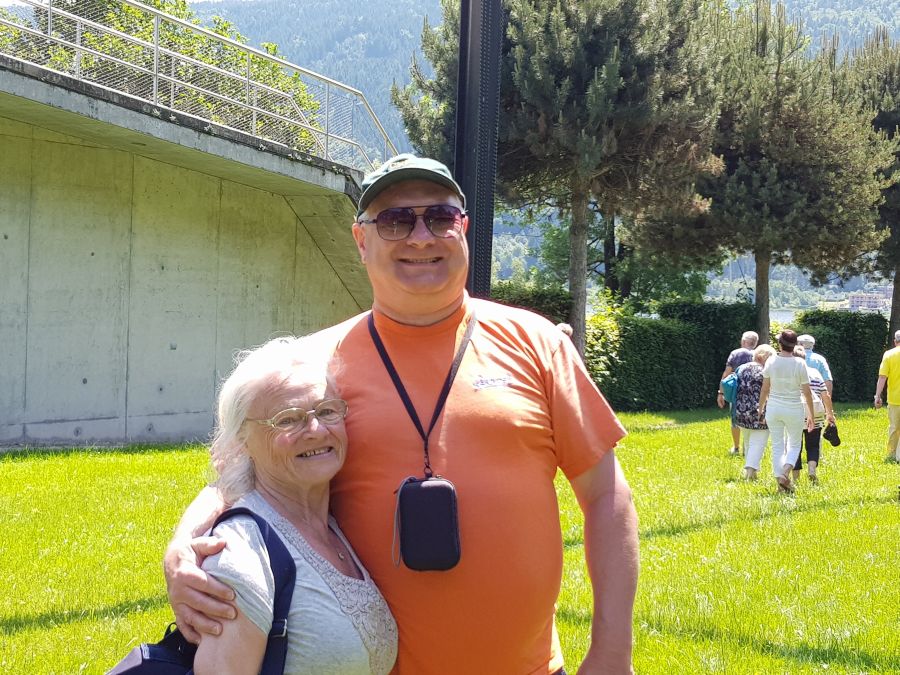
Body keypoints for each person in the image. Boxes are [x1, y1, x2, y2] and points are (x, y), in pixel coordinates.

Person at [163, 154, 638, 673]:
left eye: (440, 217)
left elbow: (606, 495)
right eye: (394, 221)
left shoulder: (538, 343)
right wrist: (182, 545)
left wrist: (612, 650)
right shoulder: (314, 365)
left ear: (463, 229)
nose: (420, 237)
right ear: (361, 240)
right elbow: (244, 472)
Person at [193, 336, 397, 673]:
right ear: (242, 440)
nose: (316, 430)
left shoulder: (334, 526)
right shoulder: (241, 555)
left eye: (327, 411)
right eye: (288, 419)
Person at [757, 329, 816, 493]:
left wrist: (760, 408)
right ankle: (785, 473)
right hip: (794, 408)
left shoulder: (771, 361)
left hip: (774, 408)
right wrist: (811, 414)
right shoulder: (800, 363)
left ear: (780, 344)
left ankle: (780, 484)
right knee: (794, 445)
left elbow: (765, 388)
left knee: (777, 446)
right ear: (794, 345)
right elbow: (807, 392)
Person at [792, 344, 836, 484]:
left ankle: (795, 478)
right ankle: (811, 470)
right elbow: (825, 394)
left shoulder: (790, 374)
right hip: (815, 414)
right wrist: (830, 413)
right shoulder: (814, 372)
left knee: (794, 446)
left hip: (795, 414)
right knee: (813, 445)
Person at [733, 344, 776, 480]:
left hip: (740, 411)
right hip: (759, 412)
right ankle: (750, 472)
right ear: (763, 357)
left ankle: (751, 473)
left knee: (748, 441)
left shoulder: (742, 368)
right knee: (757, 443)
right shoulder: (765, 371)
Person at [718, 331, 759, 455]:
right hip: (755, 392)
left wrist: (721, 392)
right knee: (752, 418)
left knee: (735, 419)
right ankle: (748, 448)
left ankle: (736, 448)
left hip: (737, 391)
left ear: (744, 341)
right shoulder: (759, 354)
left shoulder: (736, 353)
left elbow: (727, 373)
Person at [874, 329, 900, 462]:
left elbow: (882, 377)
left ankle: (892, 454)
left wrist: (877, 396)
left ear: (895, 341)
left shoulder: (889, 355)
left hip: (895, 398)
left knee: (894, 427)